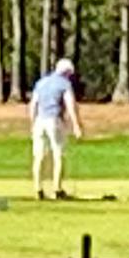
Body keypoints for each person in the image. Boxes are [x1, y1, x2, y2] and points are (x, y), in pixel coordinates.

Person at [29, 58, 83, 199]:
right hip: (54, 120)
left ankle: (37, 189)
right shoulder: (64, 84)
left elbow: (33, 104)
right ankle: (57, 189)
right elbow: (70, 105)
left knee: (39, 156)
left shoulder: (41, 82)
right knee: (58, 154)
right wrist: (76, 125)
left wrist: (32, 123)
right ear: (67, 72)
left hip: (39, 121)